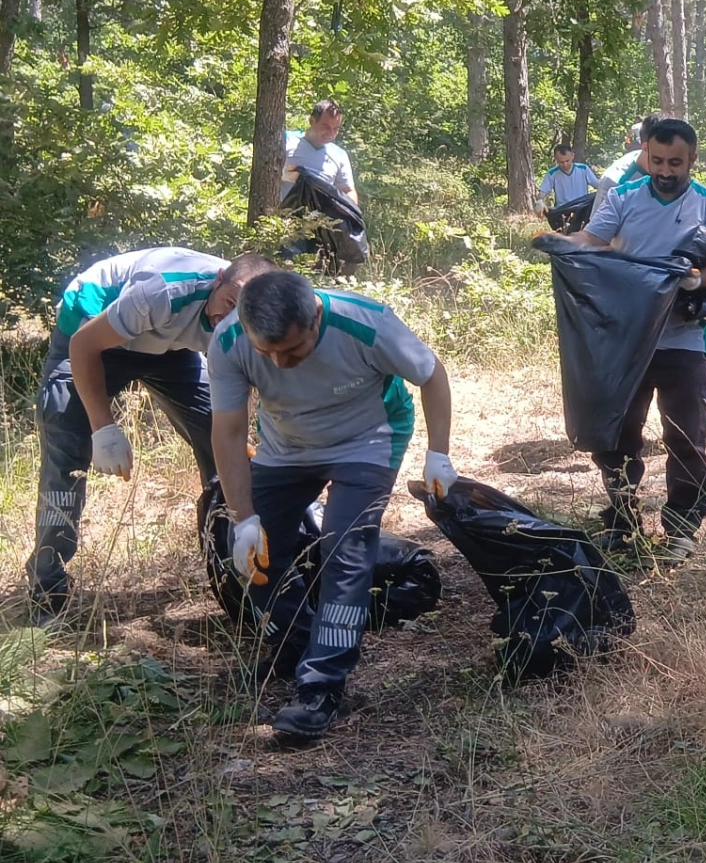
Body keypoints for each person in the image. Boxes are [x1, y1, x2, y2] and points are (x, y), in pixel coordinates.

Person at [209, 271, 457, 740]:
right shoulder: (229, 340)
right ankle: (294, 639)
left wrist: (437, 453)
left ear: (317, 317)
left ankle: (321, 686)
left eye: (294, 351)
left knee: (343, 550)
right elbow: (227, 430)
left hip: (368, 439)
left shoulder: (366, 324)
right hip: (286, 447)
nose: (280, 364)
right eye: (269, 354)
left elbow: (432, 373)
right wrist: (244, 519)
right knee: (255, 546)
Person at [27, 249, 277, 622]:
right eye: (227, 302)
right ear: (219, 277)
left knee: (223, 442)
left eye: (241, 317)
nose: (227, 318)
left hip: (170, 348)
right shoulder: (163, 290)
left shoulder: (245, 320)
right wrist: (104, 428)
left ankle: (238, 571)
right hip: (92, 329)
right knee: (66, 443)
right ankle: (47, 591)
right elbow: (83, 346)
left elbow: (242, 401)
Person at [564, 118, 706, 562]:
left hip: (683, 339)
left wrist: (698, 280)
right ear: (645, 155)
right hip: (627, 340)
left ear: (692, 160)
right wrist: (560, 244)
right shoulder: (622, 197)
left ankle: (682, 528)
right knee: (617, 435)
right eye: (656, 160)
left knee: (687, 435)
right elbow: (592, 239)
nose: (664, 170)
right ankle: (622, 524)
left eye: (675, 162)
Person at [282, 99, 359, 207]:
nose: (331, 133)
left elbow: (348, 191)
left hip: (320, 220)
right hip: (282, 218)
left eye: (336, 129)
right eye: (326, 127)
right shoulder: (286, 140)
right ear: (312, 121)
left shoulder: (339, 155)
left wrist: (349, 210)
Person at [592, 112, 663, 216]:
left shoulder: (675, 173)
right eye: (663, 151)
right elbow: (596, 231)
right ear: (646, 147)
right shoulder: (615, 183)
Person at [538, 143, 601, 207]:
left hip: (582, 208)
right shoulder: (552, 174)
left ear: (572, 156)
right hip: (563, 210)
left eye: (567, 161)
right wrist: (540, 201)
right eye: (561, 162)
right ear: (556, 159)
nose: (565, 164)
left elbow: (598, 185)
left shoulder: (583, 169)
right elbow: (543, 192)